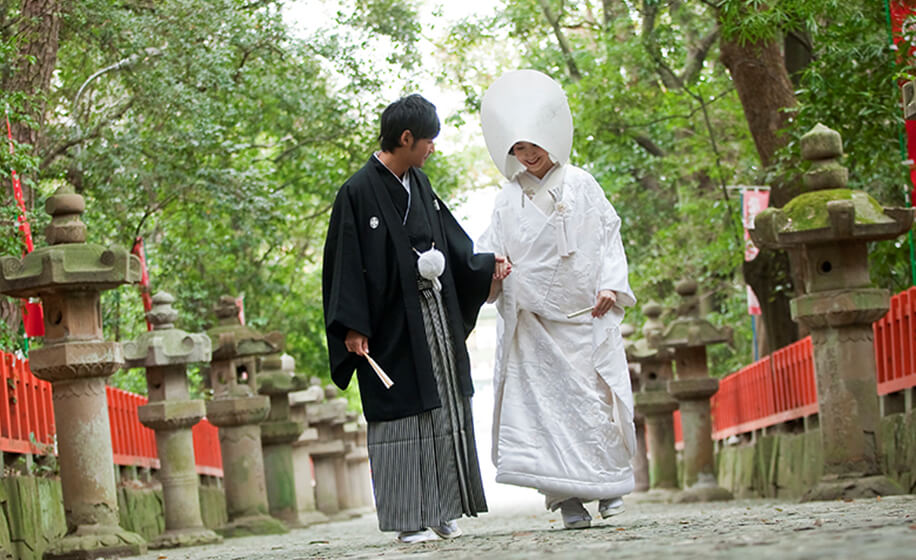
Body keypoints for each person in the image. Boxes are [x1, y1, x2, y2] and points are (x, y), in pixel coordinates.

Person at [322, 94, 510, 543]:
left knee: (444, 405)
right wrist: (353, 325)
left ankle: (443, 509)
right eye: (428, 141)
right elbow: (343, 265)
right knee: (401, 416)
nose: (432, 149)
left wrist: (484, 265)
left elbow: (450, 242)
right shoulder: (356, 191)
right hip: (387, 326)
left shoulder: (420, 185)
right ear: (406, 138)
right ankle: (409, 518)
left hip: (433, 315)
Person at [477, 70, 638, 530]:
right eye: (518, 152)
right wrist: (496, 264)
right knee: (546, 410)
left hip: (583, 311)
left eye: (532, 148)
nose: (527, 158)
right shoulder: (507, 199)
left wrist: (610, 283)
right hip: (534, 321)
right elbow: (492, 247)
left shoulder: (583, 184)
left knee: (593, 401)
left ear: (550, 140)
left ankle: (607, 484)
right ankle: (566, 499)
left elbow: (609, 237)